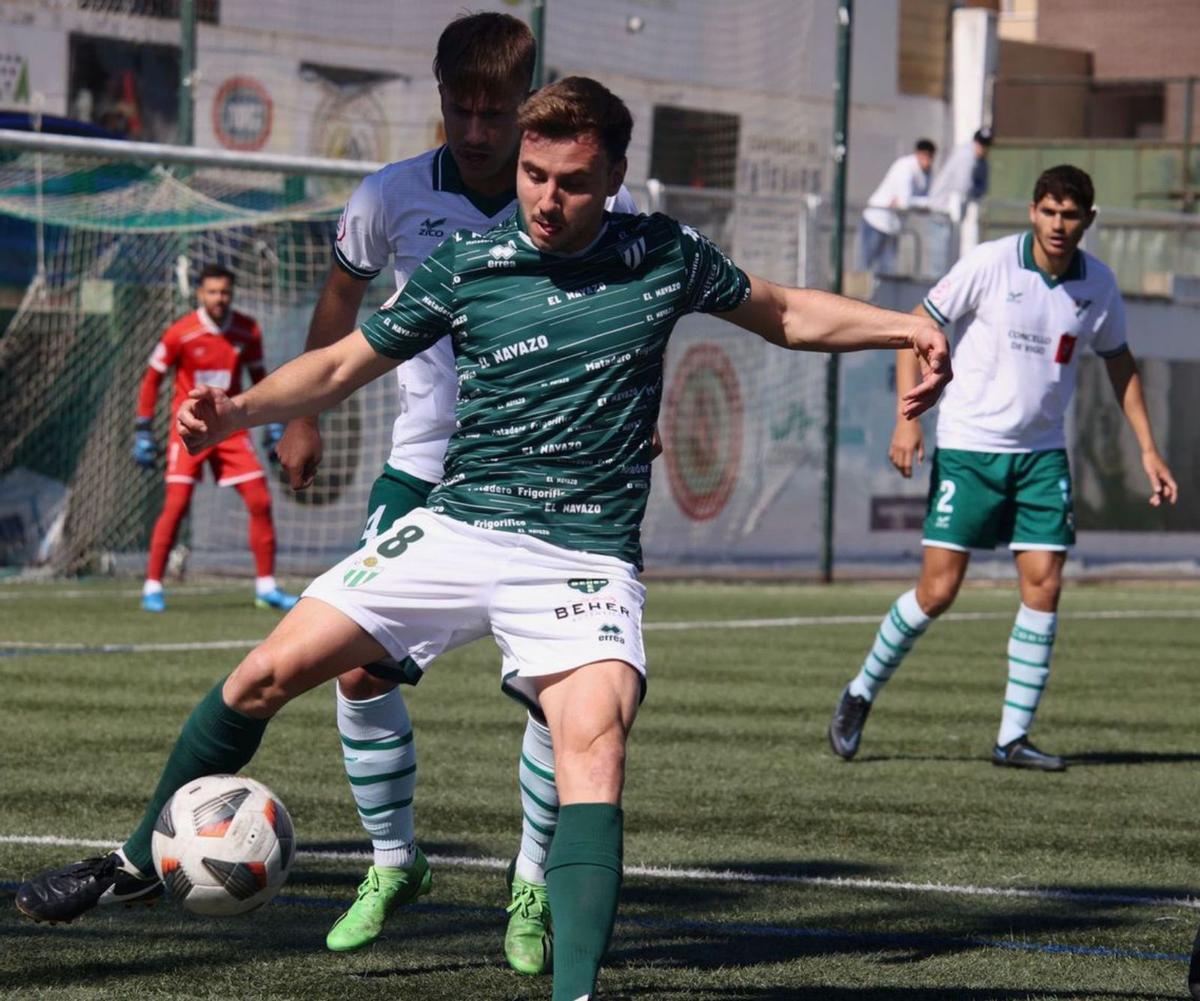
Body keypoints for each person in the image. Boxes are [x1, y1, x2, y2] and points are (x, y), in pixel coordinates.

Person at [16, 77, 951, 1001]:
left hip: (580, 551)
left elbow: (784, 312)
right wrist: (239, 412)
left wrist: (905, 325)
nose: (547, 197)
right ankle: (140, 858)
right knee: (264, 673)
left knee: (594, 744)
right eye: (535, 174)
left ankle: (572, 985)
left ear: (616, 174)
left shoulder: (663, 253)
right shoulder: (470, 262)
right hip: (457, 522)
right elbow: (347, 359)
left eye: (573, 181)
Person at [273, 12, 636, 968]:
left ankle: (528, 880)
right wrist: (302, 413)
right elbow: (342, 300)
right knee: (356, 667)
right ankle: (395, 860)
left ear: (529, 105)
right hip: (425, 466)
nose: (477, 130)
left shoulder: (573, 199)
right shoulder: (388, 195)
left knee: (560, 701)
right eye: (460, 109)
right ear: (439, 99)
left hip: (553, 481)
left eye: (495, 112)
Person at [829, 165, 1178, 772]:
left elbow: (1120, 365)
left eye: (1071, 215)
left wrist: (1148, 448)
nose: (1058, 224)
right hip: (969, 447)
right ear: (1034, 212)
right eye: (1049, 211)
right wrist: (907, 419)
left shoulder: (1099, 284)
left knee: (1044, 583)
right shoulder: (990, 263)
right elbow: (919, 324)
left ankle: (1012, 738)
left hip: (1043, 456)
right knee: (938, 591)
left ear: (1088, 220)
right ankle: (859, 693)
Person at [132, 263, 298, 613]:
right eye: (212, 292)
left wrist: (272, 424)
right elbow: (151, 379)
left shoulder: (247, 330)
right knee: (175, 506)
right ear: (199, 294)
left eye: (225, 292)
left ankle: (266, 587)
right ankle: (152, 586)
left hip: (230, 431)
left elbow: (259, 376)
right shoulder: (180, 333)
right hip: (189, 430)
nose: (219, 298)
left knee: (260, 501)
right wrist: (143, 428)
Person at [858, 138, 936, 274]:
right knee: (864, 266)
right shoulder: (905, 167)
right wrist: (924, 203)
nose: (928, 161)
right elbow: (904, 203)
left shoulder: (927, 174)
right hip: (876, 221)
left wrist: (917, 204)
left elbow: (910, 203)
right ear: (918, 154)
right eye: (926, 156)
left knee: (887, 271)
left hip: (893, 226)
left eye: (931, 157)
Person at [928, 127, 992, 221]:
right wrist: (975, 192)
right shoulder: (966, 156)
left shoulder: (981, 161)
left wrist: (976, 192)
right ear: (975, 141)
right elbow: (963, 186)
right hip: (942, 208)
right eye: (980, 143)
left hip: (955, 210)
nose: (983, 147)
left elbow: (983, 187)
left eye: (986, 145)